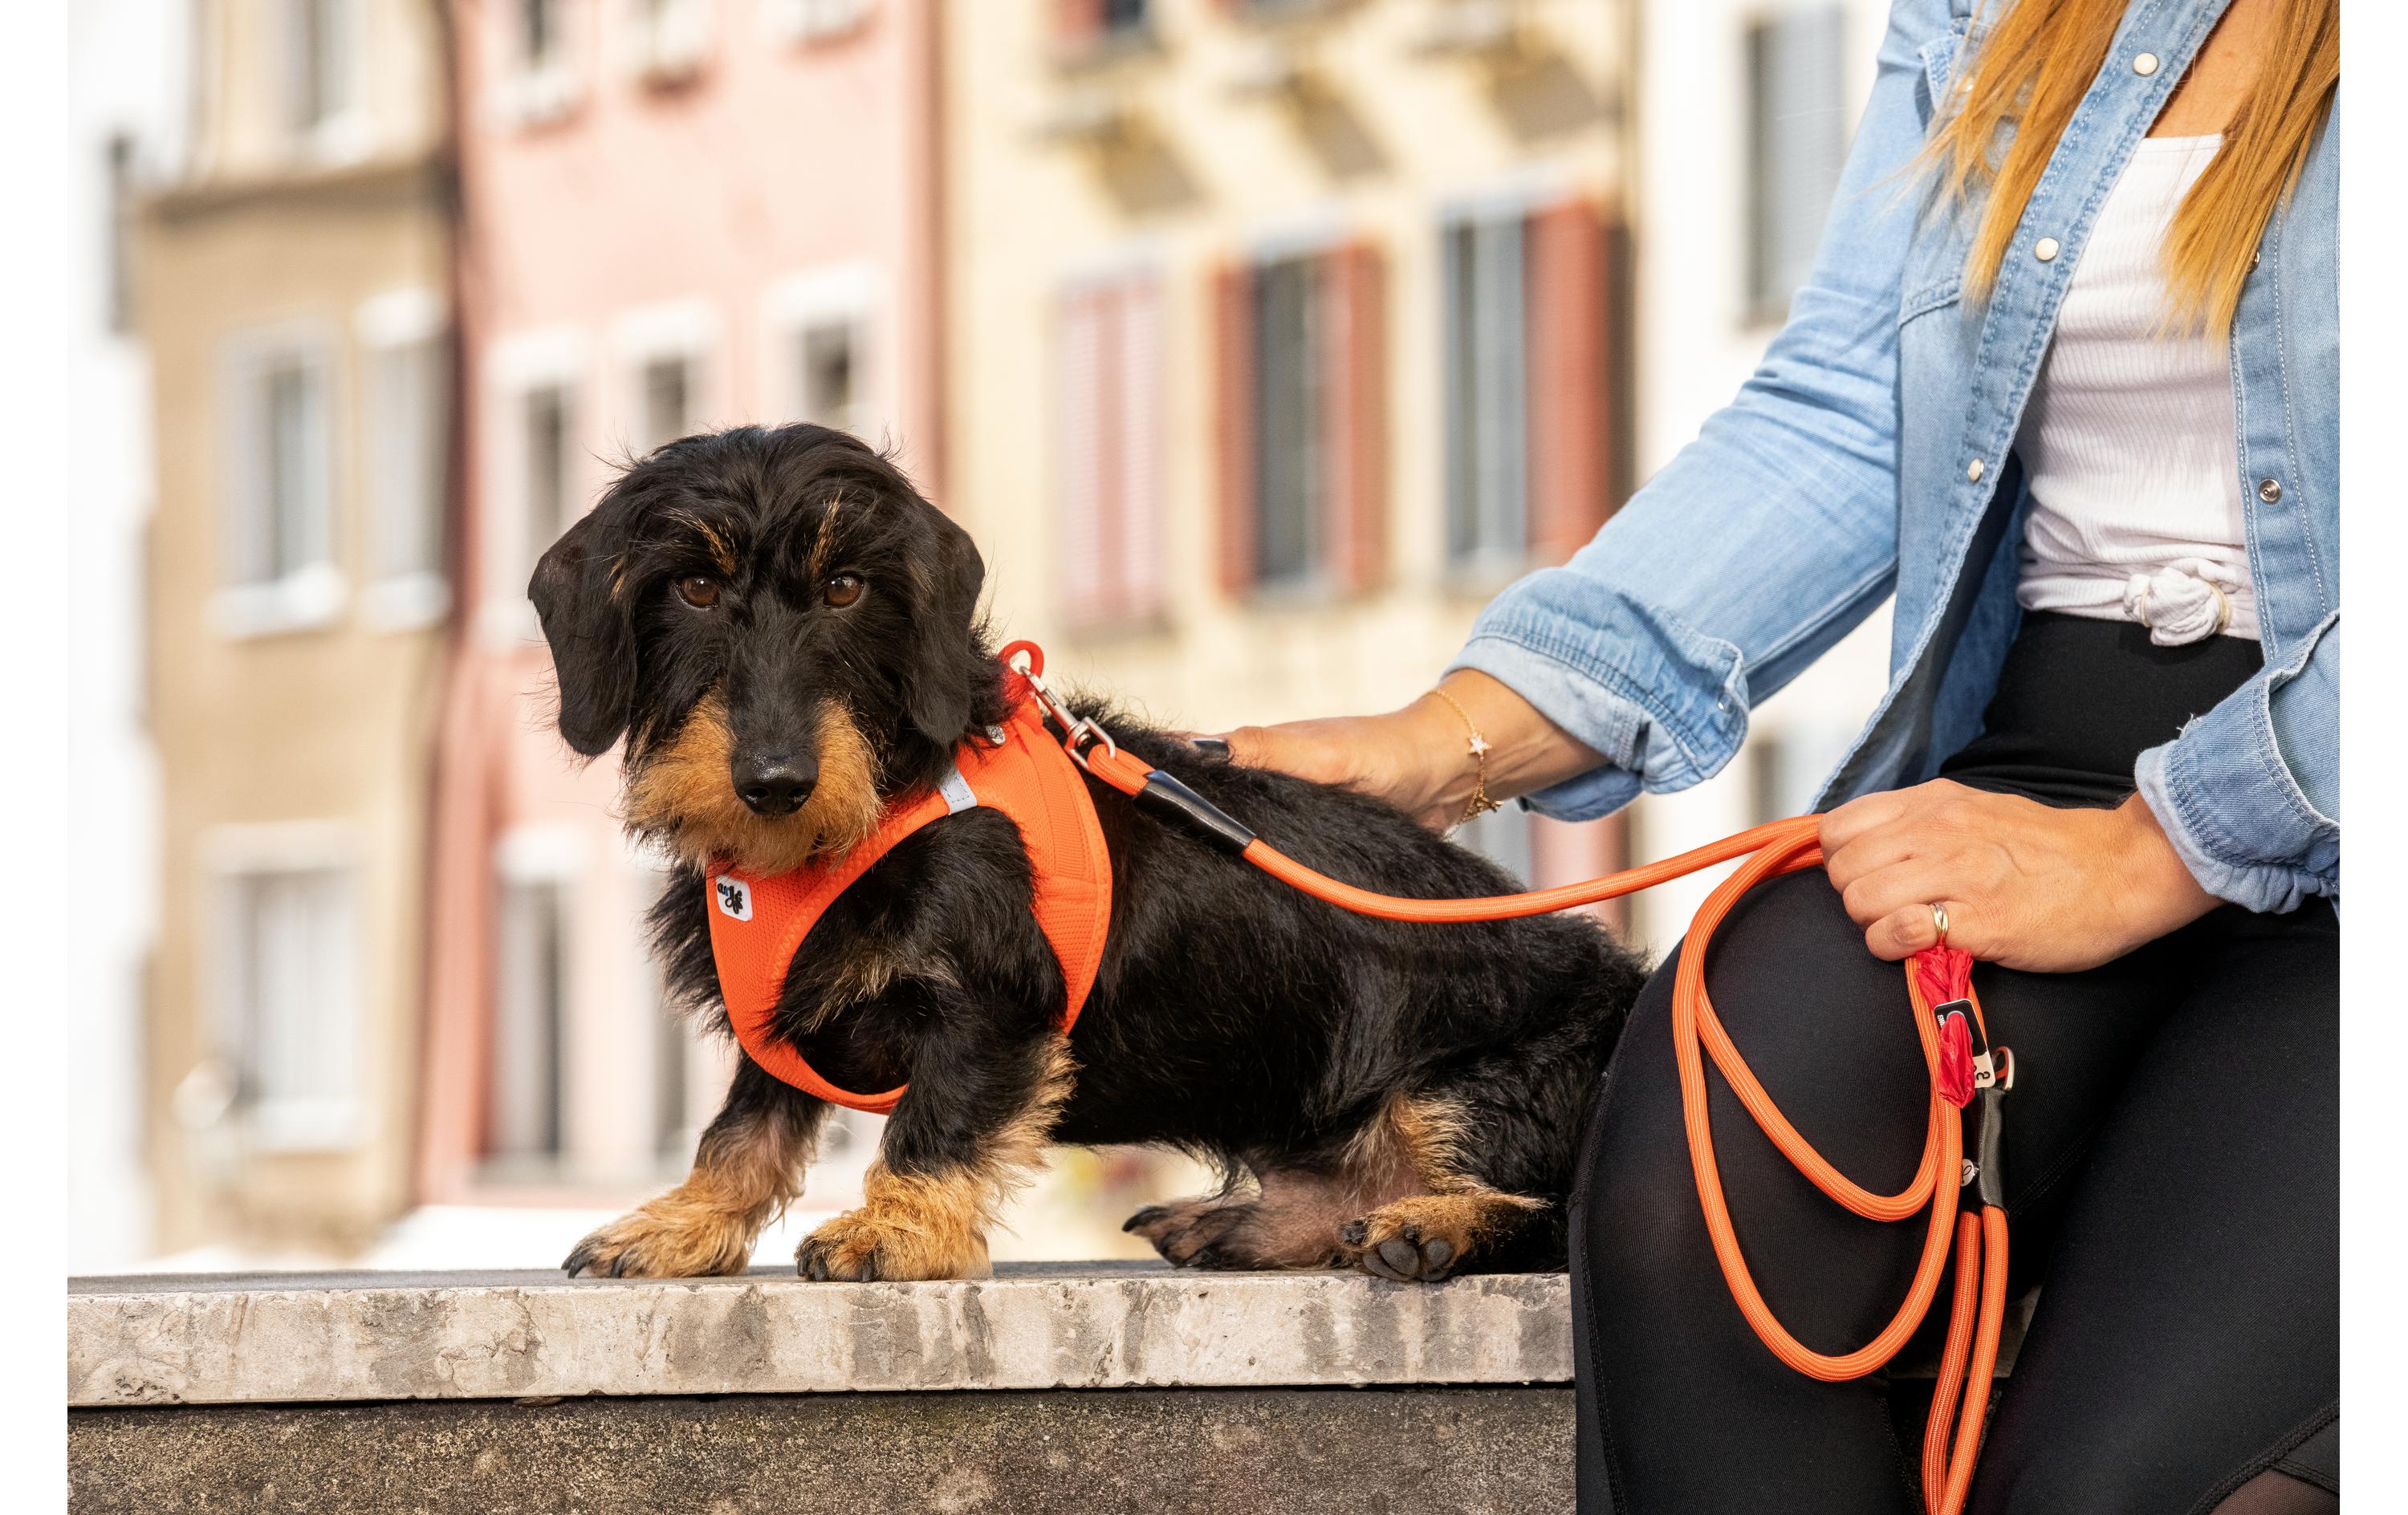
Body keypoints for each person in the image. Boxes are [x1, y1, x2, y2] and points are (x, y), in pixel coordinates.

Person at [1218, 1, 2338, 1509]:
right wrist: (1451, 742)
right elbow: (1848, 402)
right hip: (2052, 754)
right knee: (1705, 1173)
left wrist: (2163, 845)